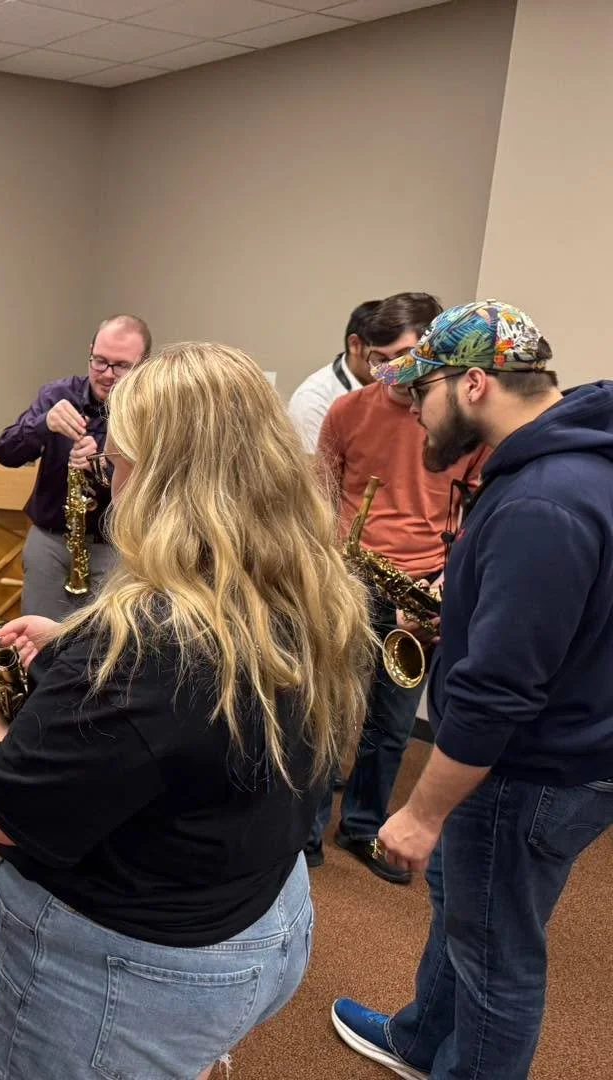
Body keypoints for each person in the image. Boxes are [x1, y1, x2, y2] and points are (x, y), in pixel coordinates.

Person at [0, 343, 373, 1080]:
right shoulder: (308, 585)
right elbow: (194, 714)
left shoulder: (144, 644)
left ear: (168, 480)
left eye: (117, 464)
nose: (109, 483)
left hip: (133, 972)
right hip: (265, 918)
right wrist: (68, 645)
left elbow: (2, 806)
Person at [332, 301, 613, 1080]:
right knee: (468, 906)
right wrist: (465, 604)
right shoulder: (568, 465)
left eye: (422, 392)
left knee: (497, 953)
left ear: (477, 383)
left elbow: (499, 691)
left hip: (530, 769)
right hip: (554, 751)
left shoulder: (542, 501)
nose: (413, 411)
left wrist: (422, 815)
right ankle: (423, 1041)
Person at [308, 292, 488, 882]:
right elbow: (318, 497)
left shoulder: (460, 424)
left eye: (407, 355)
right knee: (325, 713)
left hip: (421, 592)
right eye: (382, 356)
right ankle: (303, 833)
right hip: (348, 579)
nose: (393, 371)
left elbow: (478, 510)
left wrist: (446, 574)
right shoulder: (345, 411)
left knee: (391, 724)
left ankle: (361, 827)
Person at [0, 315, 151, 621]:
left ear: (144, 363)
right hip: (50, 541)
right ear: (90, 350)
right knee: (36, 641)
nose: (107, 374)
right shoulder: (57, 394)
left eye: (121, 366)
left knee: (102, 645)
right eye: (99, 361)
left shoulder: (151, 410)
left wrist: (101, 466)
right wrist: (43, 424)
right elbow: (6, 453)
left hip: (115, 547)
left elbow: (151, 488)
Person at [287, 298, 383, 452]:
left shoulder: (403, 388)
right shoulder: (312, 400)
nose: (393, 368)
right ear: (355, 345)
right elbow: (315, 473)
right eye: (382, 358)